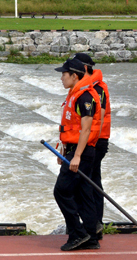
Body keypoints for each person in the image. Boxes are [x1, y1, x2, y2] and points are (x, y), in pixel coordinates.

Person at [53, 58, 103, 251]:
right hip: (74, 150)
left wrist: (77, 156)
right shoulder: (74, 94)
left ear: (74, 76)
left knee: (61, 191)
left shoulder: (84, 96)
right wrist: (63, 150)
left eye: (64, 75)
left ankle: (78, 233)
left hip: (81, 152)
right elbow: (70, 127)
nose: (61, 78)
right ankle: (90, 237)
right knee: (83, 194)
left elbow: (86, 129)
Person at [73, 53, 111, 241]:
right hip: (91, 140)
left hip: (96, 141)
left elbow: (99, 117)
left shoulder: (97, 89)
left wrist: (88, 146)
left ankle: (93, 224)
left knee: (86, 182)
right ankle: (95, 224)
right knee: (93, 180)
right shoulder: (87, 87)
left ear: (85, 68)